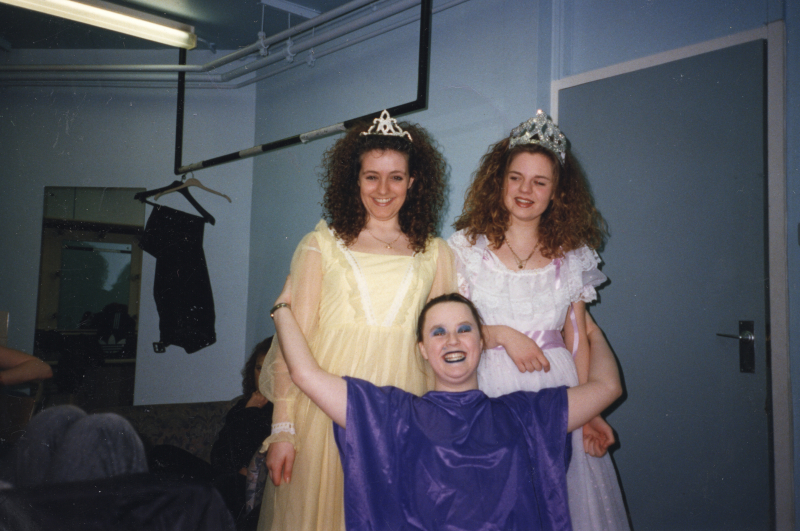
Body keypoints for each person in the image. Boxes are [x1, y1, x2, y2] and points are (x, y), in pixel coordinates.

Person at [270, 284, 622, 531]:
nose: (452, 340)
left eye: (463, 329)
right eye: (438, 332)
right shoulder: (393, 415)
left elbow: (608, 387)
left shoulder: (524, 414)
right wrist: (283, 309)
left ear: (481, 342)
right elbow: (305, 374)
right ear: (423, 349)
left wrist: (592, 331)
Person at [257, 110, 458, 531]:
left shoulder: (436, 254)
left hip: (405, 415)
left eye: (396, 177)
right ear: (355, 180)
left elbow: (444, 349)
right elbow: (294, 341)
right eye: (371, 177)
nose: (383, 190)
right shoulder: (320, 246)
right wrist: (283, 429)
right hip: (324, 415)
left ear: (413, 181)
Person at [448, 110, 629, 529]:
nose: (525, 190)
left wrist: (587, 409)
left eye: (539, 182)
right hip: (489, 388)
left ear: (557, 193)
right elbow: (452, 331)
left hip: (556, 389)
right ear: (499, 181)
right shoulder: (466, 250)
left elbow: (577, 336)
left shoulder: (572, 255)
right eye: (515, 177)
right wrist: (500, 335)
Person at [150, 337, 274, 526]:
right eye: (259, 368)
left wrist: (251, 413)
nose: (263, 376)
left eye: (271, 369)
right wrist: (247, 411)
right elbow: (219, 455)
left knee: (225, 485)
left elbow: (248, 457)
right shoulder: (242, 406)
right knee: (162, 454)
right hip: (221, 477)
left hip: (240, 488)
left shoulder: (281, 411)